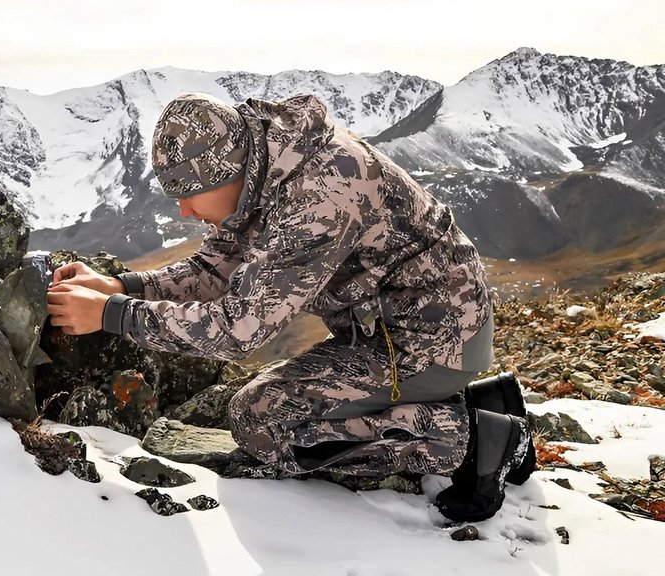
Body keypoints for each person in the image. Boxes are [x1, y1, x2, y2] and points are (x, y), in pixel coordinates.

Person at [45, 92, 535, 522]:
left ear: (231, 169)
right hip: (393, 332)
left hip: (430, 343)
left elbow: (239, 331)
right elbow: (215, 271)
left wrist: (111, 315)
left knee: (263, 419)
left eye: (192, 195)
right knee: (272, 403)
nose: (185, 212)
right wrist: (119, 285)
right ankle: (483, 401)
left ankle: (471, 439)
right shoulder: (267, 162)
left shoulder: (317, 196)